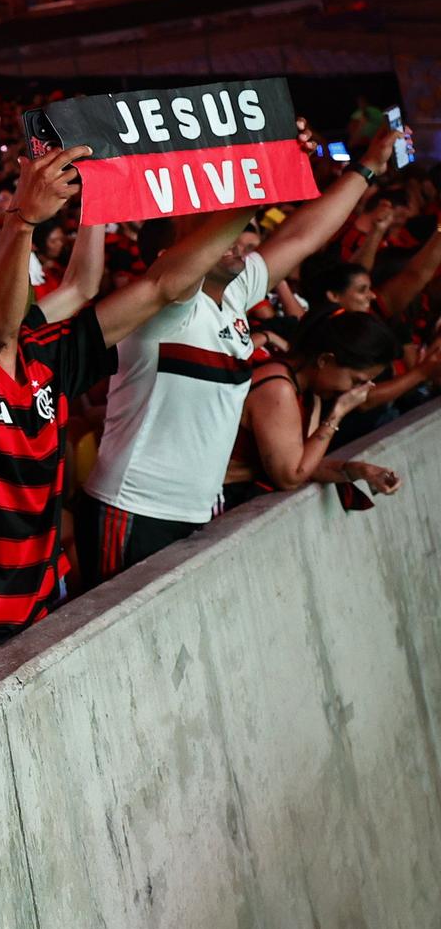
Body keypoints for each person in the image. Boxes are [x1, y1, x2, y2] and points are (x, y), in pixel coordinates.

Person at [0, 145, 258, 678]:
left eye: (10, 259)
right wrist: (16, 217)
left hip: (45, 606)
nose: (8, 265)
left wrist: (257, 188)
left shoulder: (51, 352)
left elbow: (160, 285)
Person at [80, 119, 393, 582]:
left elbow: (302, 237)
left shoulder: (230, 297)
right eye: (221, 235)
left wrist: (366, 168)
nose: (239, 244)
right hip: (134, 509)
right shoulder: (163, 312)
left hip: (200, 508)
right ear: (175, 255)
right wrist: (265, 169)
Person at [224, 310, 406, 507]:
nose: (356, 391)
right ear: (325, 360)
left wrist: (362, 471)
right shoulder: (278, 389)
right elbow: (291, 476)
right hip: (222, 499)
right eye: (356, 381)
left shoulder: (309, 393)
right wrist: (337, 414)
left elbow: (306, 463)